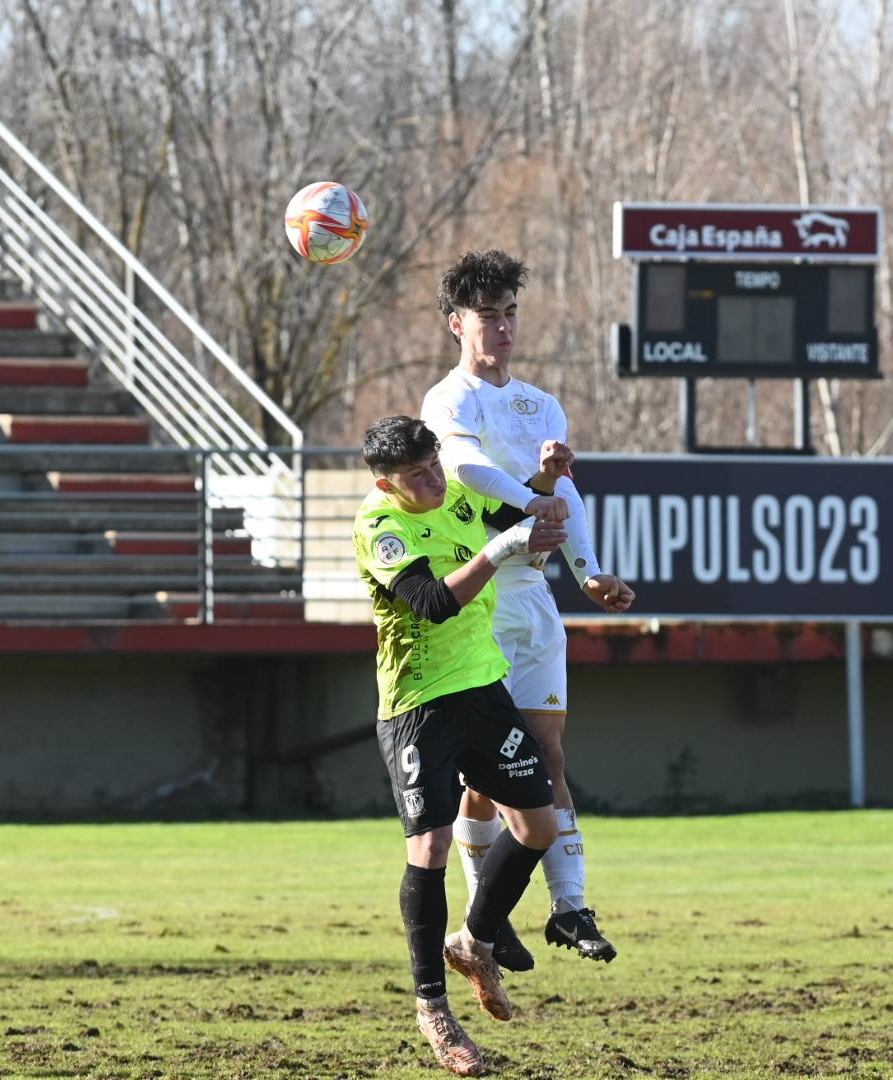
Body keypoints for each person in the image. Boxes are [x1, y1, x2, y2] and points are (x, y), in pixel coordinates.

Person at [420, 249, 636, 973]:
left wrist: (590, 571)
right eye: (489, 315)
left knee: (547, 756)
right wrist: (532, 494)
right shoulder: (447, 400)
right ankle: (490, 919)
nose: (504, 327)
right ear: (457, 324)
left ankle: (571, 906)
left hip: (534, 601)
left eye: (511, 312)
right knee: (484, 778)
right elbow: (463, 470)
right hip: (479, 597)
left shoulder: (542, 403)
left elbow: (564, 495)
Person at [354, 415, 571, 1078]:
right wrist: (498, 552)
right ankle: (432, 1007)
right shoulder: (380, 528)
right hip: (419, 705)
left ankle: (474, 940)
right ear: (386, 484)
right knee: (432, 846)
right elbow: (431, 603)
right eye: (417, 477)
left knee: (538, 824)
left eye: (435, 467)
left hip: (483, 689)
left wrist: (545, 481)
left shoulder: (455, 490)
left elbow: (513, 508)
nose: (433, 482)